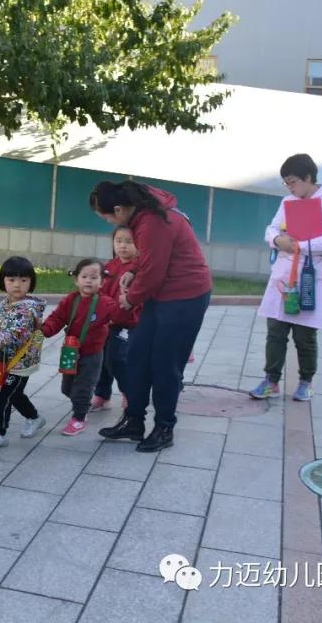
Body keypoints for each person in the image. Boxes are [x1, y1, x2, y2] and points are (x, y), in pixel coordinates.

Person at [90, 181, 212, 453]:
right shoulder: (144, 216)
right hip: (162, 295)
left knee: (165, 364)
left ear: (119, 209)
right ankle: (133, 421)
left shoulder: (154, 221)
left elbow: (154, 272)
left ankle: (164, 427)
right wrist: (133, 272)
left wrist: (130, 298)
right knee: (137, 355)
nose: (108, 222)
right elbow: (150, 260)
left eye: (107, 217)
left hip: (185, 297)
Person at [251, 154, 322, 402]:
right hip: (284, 273)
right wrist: (277, 240)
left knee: (304, 334)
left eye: (293, 182)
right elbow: (271, 229)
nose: (290, 188)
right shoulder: (288, 202)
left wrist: (296, 246)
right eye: (286, 184)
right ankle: (271, 380)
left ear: (308, 177)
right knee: (275, 330)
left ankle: (306, 381)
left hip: (310, 275)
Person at [40, 259, 133, 436]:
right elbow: (57, 318)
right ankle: (82, 403)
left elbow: (119, 315)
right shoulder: (70, 300)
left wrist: (126, 301)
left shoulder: (104, 302)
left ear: (102, 282)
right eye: (84, 276)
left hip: (92, 355)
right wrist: (45, 329)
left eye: (94, 277)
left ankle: (79, 418)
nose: (88, 280)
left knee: (82, 388)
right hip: (70, 352)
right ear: (76, 280)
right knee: (67, 389)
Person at [0, 256, 47, 450]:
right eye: (11, 280)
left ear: (31, 282)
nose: (17, 285)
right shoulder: (7, 304)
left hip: (20, 362)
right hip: (6, 359)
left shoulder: (28, 309)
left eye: (24, 280)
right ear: (3, 282)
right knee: (15, 395)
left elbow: (17, 334)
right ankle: (34, 417)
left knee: (2, 397)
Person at [92, 225, 139, 412]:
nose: (123, 246)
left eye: (129, 241)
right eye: (119, 241)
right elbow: (100, 292)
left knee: (117, 358)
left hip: (128, 323)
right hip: (106, 322)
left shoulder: (138, 270)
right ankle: (102, 395)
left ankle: (130, 393)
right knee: (101, 357)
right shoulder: (109, 266)